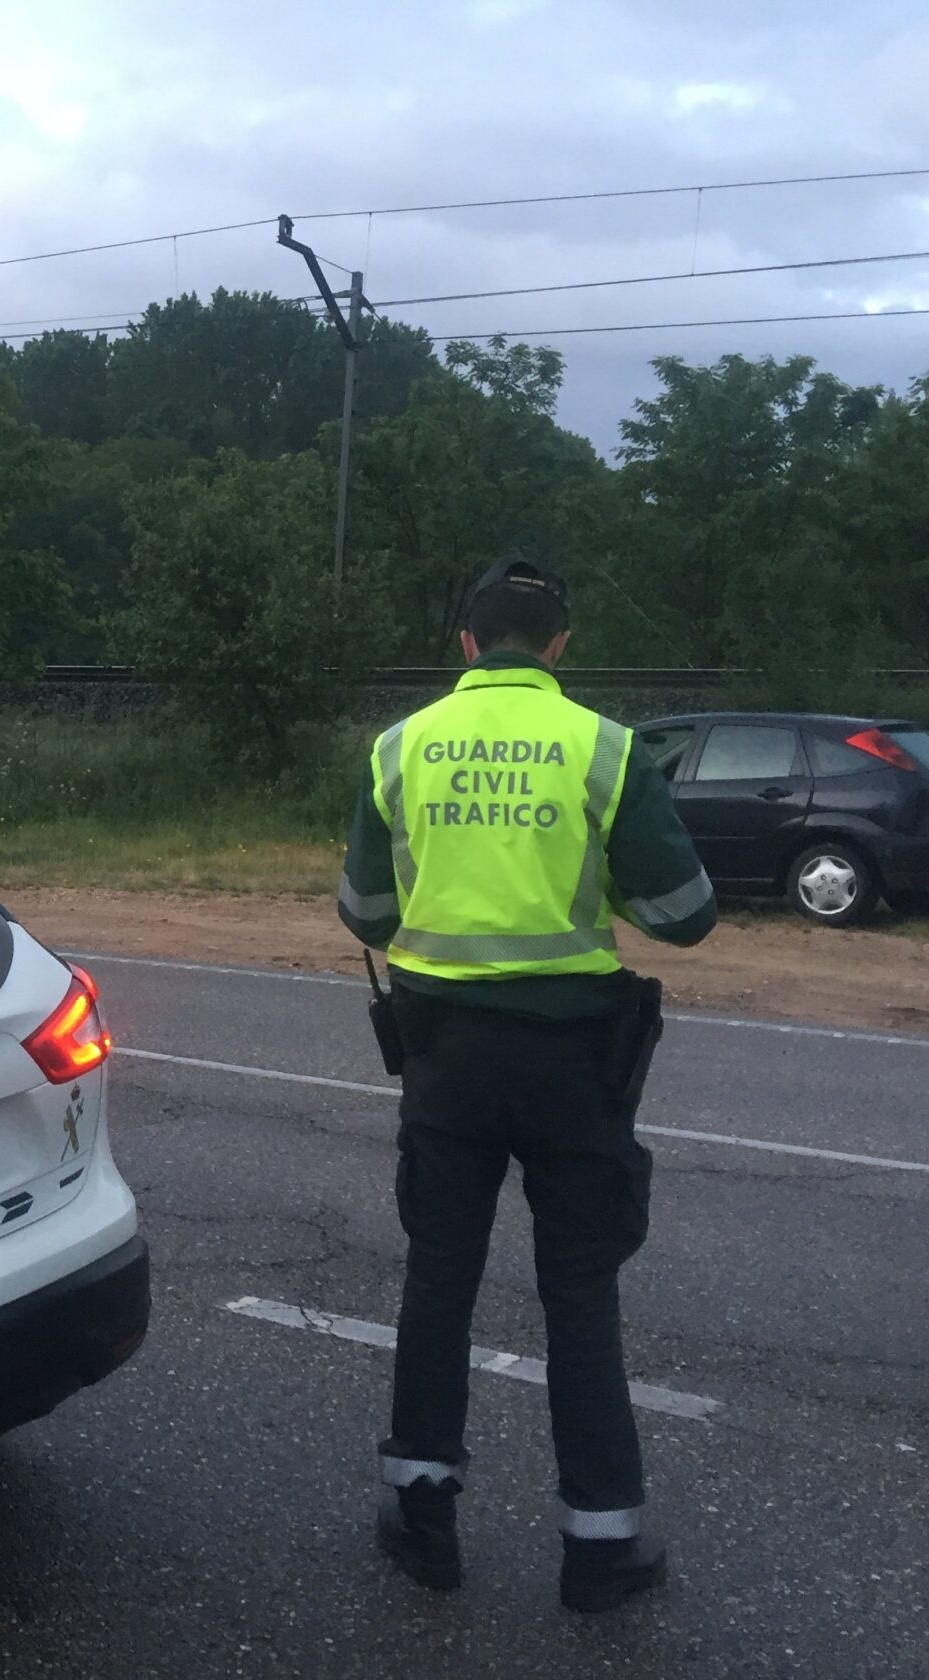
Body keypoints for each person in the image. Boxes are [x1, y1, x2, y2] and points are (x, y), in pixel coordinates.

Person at [336, 556, 715, 1614]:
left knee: (439, 1275)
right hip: (571, 1061)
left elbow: (363, 911)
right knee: (579, 1293)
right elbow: (683, 912)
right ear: (557, 646)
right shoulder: (603, 746)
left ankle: (422, 1516)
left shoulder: (400, 745)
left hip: (443, 1058)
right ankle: (600, 1543)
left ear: (465, 643)